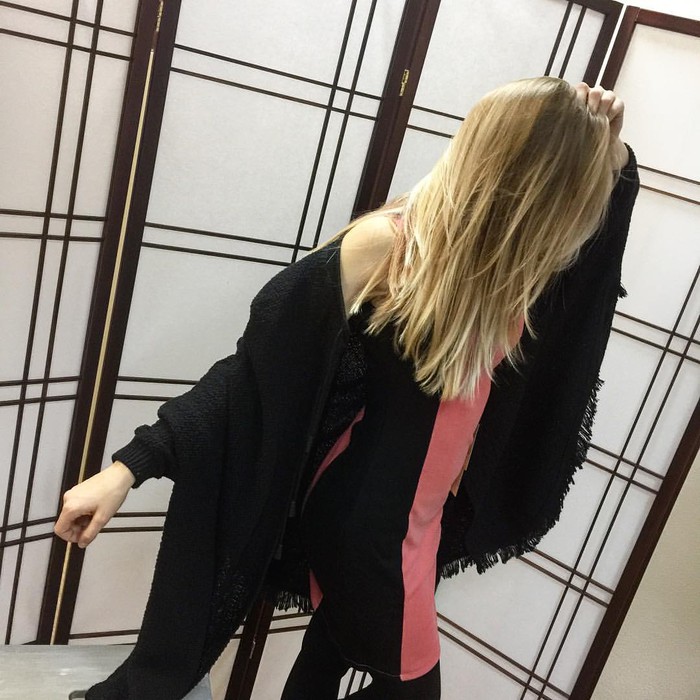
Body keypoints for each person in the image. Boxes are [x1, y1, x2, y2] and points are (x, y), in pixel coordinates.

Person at [54, 77, 633, 700]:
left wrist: (615, 150)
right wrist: (128, 468)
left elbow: (596, 259)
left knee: (324, 661)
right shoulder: (391, 246)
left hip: (416, 523)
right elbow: (254, 374)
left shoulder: (512, 270)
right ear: (524, 176)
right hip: (369, 531)